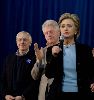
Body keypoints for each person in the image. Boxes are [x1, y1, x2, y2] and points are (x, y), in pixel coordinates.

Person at [44, 13, 94, 99]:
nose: (65, 29)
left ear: (76, 30)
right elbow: (49, 74)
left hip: (81, 94)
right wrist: (54, 56)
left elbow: (91, 71)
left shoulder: (86, 50)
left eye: (69, 26)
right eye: (62, 26)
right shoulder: (51, 49)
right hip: (58, 95)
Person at [1, 31, 39, 100]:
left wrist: (23, 96)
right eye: (19, 39)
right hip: (9, 98)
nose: (22, 42)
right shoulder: (9, 59)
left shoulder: (35, 58)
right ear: (16, 42)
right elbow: (3, 80)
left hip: (27, 97)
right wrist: (5, 95)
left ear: (30, 43)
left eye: (25, 40)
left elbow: (35, 81)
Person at [31, 20, 60, 100]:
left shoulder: (66, 48)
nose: (49, 35)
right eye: (46, 33)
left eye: (51, 32)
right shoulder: (41, 51)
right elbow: (34, 76)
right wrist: (39, 61)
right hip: (43, 95)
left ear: (58, 32)